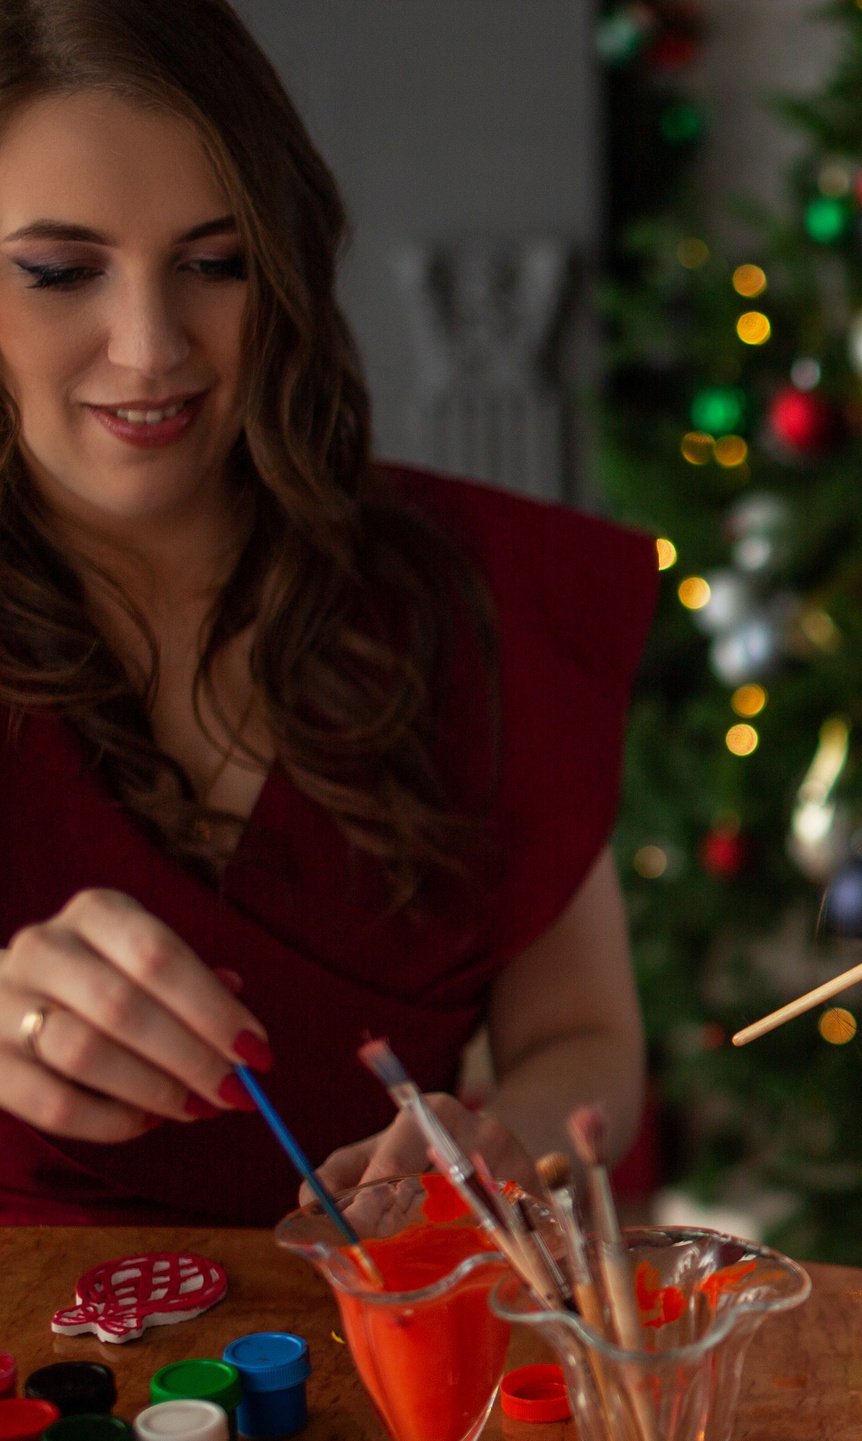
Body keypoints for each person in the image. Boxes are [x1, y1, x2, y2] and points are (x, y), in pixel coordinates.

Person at [0, 0, 652, 1225]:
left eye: (214, 262)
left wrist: (491, 1143)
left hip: (381, 1373)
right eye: (59, 272)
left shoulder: (483, 593)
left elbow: (585, 1040)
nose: (150, 348)